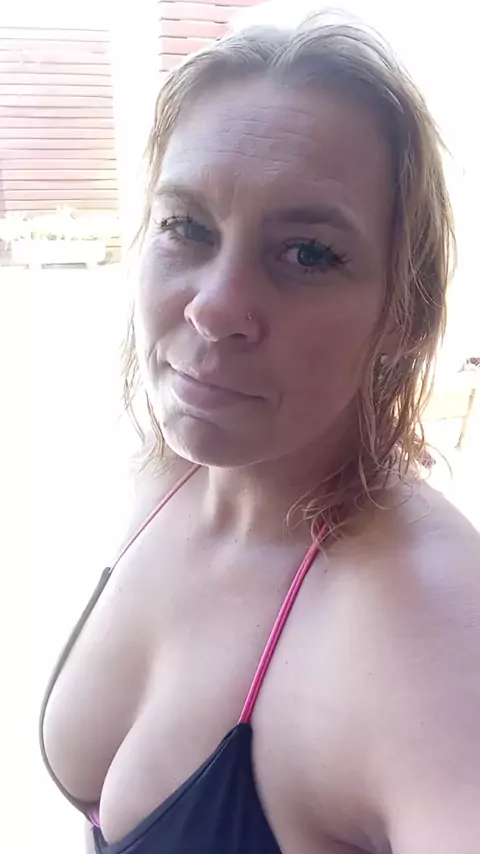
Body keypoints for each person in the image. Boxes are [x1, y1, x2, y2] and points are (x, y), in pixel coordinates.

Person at [40, 11, 480, 854]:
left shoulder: (428, 630)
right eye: (186, 227)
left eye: (307, 253)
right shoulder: (166, 471)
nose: (214, 308)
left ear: (403, 310)